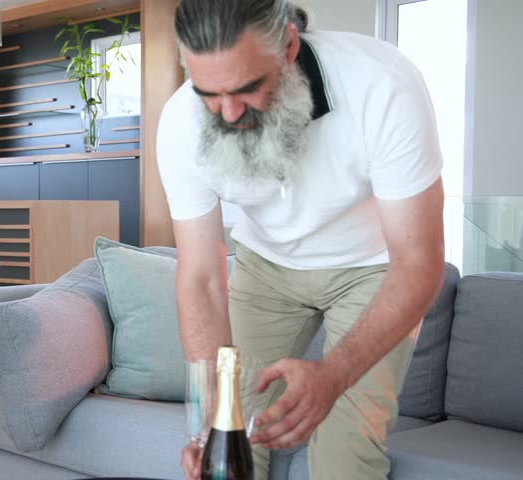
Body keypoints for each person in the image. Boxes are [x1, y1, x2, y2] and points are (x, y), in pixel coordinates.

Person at [157, 1, 446, 479]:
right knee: (227, 451)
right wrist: (207, 422)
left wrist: (333, 375)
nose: (228, 113)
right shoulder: (179, 124)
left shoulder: (383, 84)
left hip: (372, 270)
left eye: (247, 88)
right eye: (210, 93)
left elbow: (419, 262)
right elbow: (202, 277)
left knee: (344, 454)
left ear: (289, 45)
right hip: (265, 266)